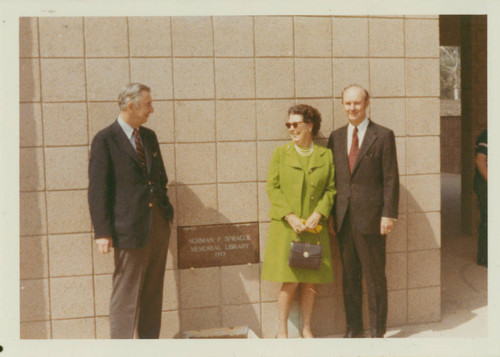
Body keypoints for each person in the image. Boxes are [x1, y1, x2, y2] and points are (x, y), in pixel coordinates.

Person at [88, 83, 174, 339]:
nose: (152, 109)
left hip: (157, 224)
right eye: (148, 104)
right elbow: (98, 189)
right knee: (126, 295)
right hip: (129, 229)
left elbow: (159, 178)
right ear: (131, 106)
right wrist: (102, 232)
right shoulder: (106, 139)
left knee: (152, 293)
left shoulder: (149, 136)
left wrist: (165, 211)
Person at [327, 84, 399, 338]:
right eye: (347, 103)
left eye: (357, 103)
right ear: (342, 104)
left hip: (372, 220)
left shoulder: (383, 135)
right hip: (344, 219)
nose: (352, 108)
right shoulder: (335, 137)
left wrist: (388, 215)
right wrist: (331, 216)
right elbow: (333, 180)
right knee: (350, 277)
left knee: (375, 277)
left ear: (367, 104)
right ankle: (353, 328)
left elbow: (391, 178)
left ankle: (378, 332)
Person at [261, 104, 336, 339]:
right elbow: (272, 187)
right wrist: (289, 215)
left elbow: (331, 190)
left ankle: (306, 329)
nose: (291, 129)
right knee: (290, 280)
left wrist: (320, 213)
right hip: (287, 226)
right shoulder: (281, 154)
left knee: (311, 280)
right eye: (288, 125)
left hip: (314, 227)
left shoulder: (326, 154)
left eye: (295, 124)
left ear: (310, 124)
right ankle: (281, 330)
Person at [474, 129, 487, 267]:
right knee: (488, 220)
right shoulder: (487, 134)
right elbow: (480, 161)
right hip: (485, 185)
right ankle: (485, 258)